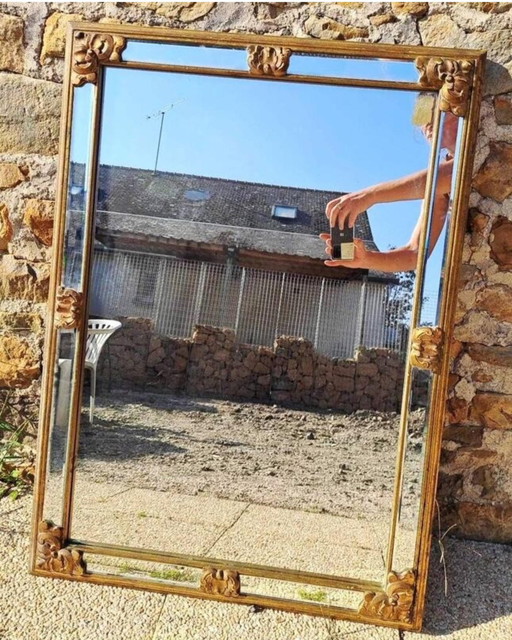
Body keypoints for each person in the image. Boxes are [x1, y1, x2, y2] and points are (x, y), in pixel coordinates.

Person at [319, 96, 459, 273]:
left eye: (436, 112)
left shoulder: (477, 154)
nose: (427, 125)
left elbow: (454, 173)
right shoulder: (437, 185)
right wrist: (367, 259)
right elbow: (414, 254)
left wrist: (370, 195)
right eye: (423, 118)